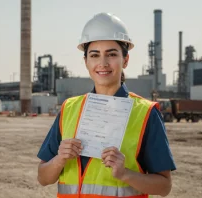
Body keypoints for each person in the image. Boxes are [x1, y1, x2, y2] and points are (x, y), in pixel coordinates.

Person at [36, 12, 176, 198]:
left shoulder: (145, 113)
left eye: (111, 54)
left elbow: (164, 187)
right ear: (85, 61)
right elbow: (43, 178)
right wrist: (59, 159)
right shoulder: (70, 108)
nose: (102, 63)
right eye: (94, 55)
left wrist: (125, 174)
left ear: (125, 60)